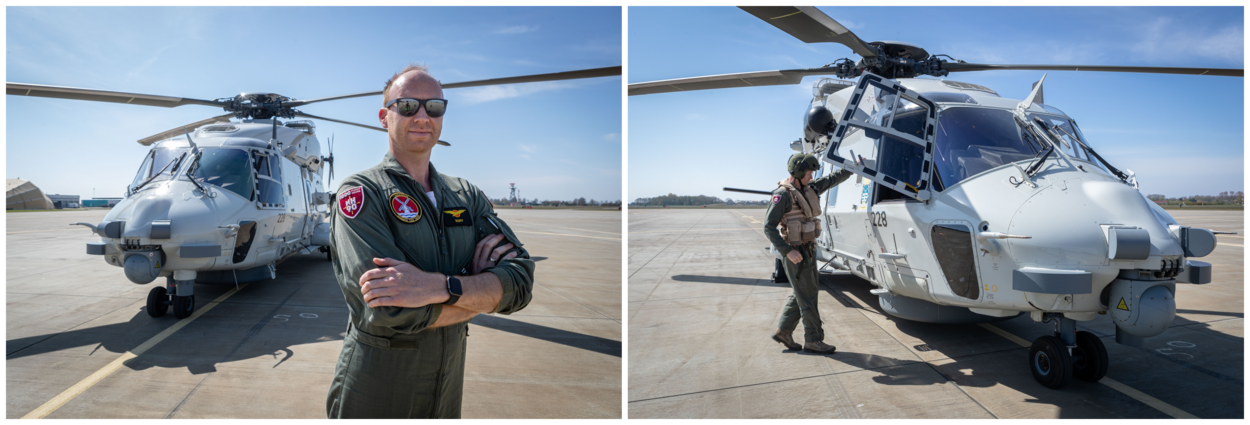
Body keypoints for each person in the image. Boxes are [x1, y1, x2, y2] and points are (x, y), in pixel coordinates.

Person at [325, 64, 536, 420]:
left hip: (448, 384)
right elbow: (390, 310)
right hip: (377, 386)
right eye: (408, 106)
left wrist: (438, 287)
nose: (423, 116)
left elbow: (520, 283)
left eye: (434, 107)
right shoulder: (362, 193)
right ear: (384, 117)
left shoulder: (465, 194)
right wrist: (481, 295)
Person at [764, 153, 852, 355]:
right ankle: (813, 340)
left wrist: (851, 167)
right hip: (795, 253)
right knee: (809, 297)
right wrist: (787, 251)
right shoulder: (782, 195)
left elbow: (832, 179)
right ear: (799, 172)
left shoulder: (809, 188)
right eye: (809, 173)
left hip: (809, 249)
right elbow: (768, 227)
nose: (812, 177)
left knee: (804, 293)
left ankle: (784, 331)